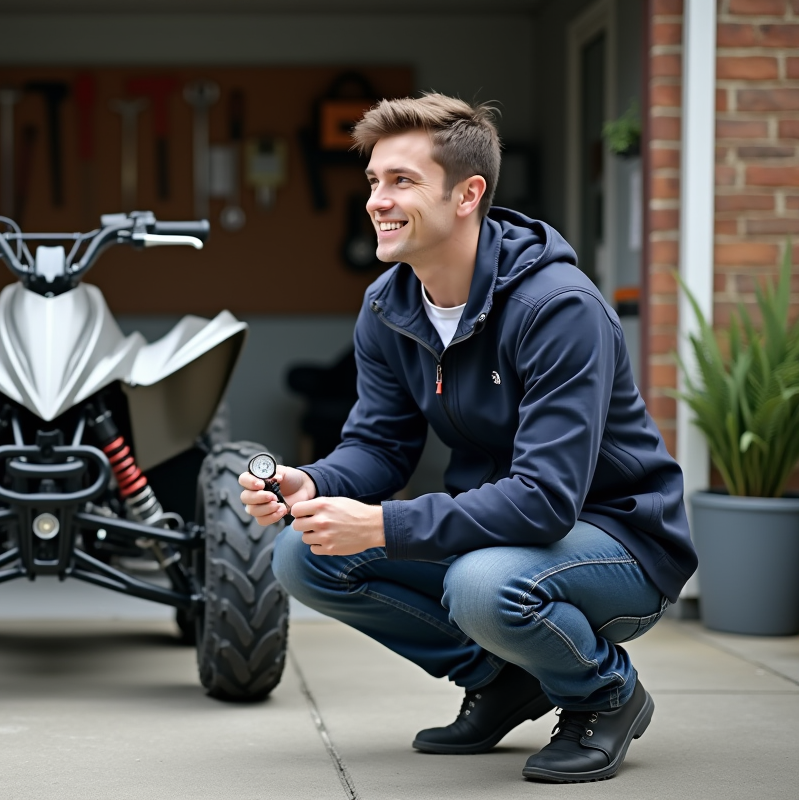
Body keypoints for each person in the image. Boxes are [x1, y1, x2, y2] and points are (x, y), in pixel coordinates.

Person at [239, 93, 697, 784]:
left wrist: (384, 525)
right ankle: (504, 680)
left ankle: (605, 694)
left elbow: (544, 501)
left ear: (467, 194)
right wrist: (314, 483)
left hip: (621, 539)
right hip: (508, 530)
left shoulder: (557, 308)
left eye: (402, 181)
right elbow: (380, 446)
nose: (377, 201)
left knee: (481, 585)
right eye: (374, 180)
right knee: (304, 554)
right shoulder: (390, 306)